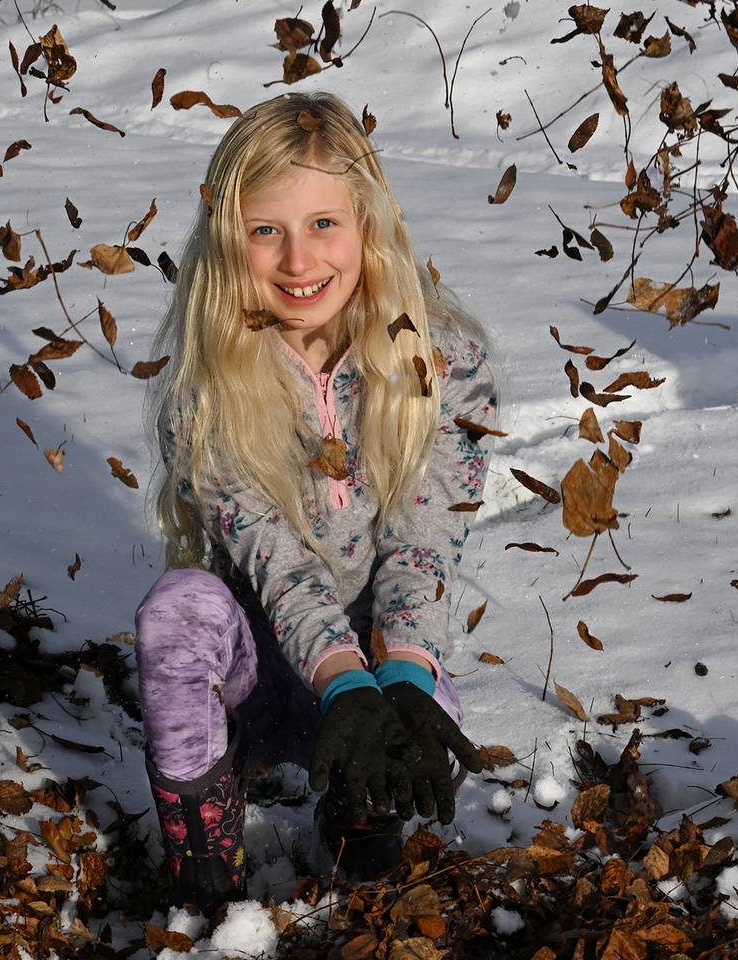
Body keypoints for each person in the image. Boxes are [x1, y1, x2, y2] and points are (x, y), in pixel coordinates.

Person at [135, 91, 499, 916]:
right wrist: (338, 683)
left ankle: (359, 806)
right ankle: (205, 839)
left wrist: (396, 677)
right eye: (267, 231)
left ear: (369, 223)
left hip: (376, 658)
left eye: (324, 224)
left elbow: (424, 542)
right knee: (178, 611)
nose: (298, 261)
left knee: (432, 704)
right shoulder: (207, 391)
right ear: (231, 243)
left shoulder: (445, 362)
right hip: (263, 669)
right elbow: (274, 557)